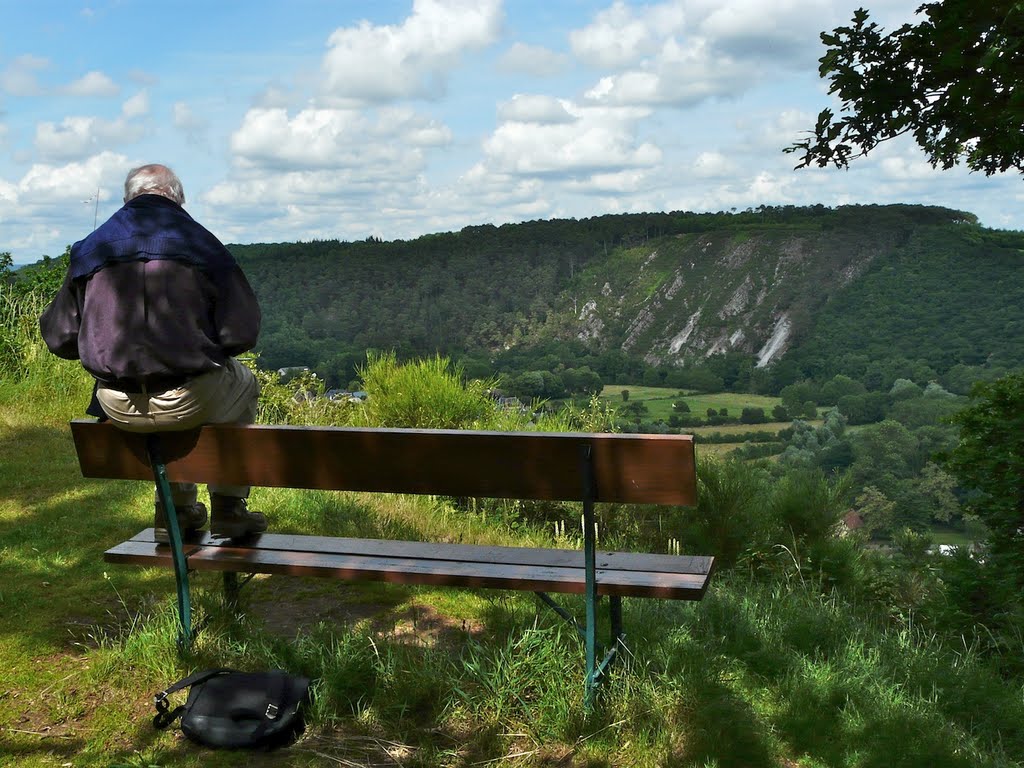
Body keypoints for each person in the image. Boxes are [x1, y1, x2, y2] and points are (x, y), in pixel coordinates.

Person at [40, 164, 267, 543]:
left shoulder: (92, 247)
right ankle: (229, 507)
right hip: (189, 400)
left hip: (116, 403)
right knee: (240, 381)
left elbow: (60, 337)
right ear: (177, 198)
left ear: (129, 199)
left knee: (191, 387)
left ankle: (174, 511)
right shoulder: (202, 245)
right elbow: (241, 333)